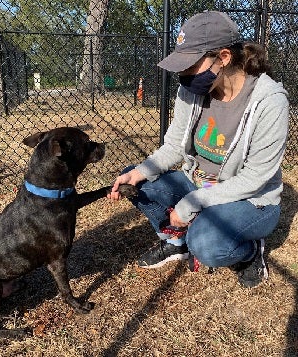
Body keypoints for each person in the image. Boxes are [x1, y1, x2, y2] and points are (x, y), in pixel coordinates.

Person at [107, 10, 289, 288]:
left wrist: (192, 204)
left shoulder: (269, 102)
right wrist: (140, 173)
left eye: (191, 65)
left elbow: (254, 179)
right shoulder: (190, 91)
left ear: (224, 58)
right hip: (199, 185)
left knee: (206, 243)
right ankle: (177, 241)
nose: (183, 74)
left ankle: (250, 254)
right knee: (135, 180)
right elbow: (174, 147)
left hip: (250, 200)